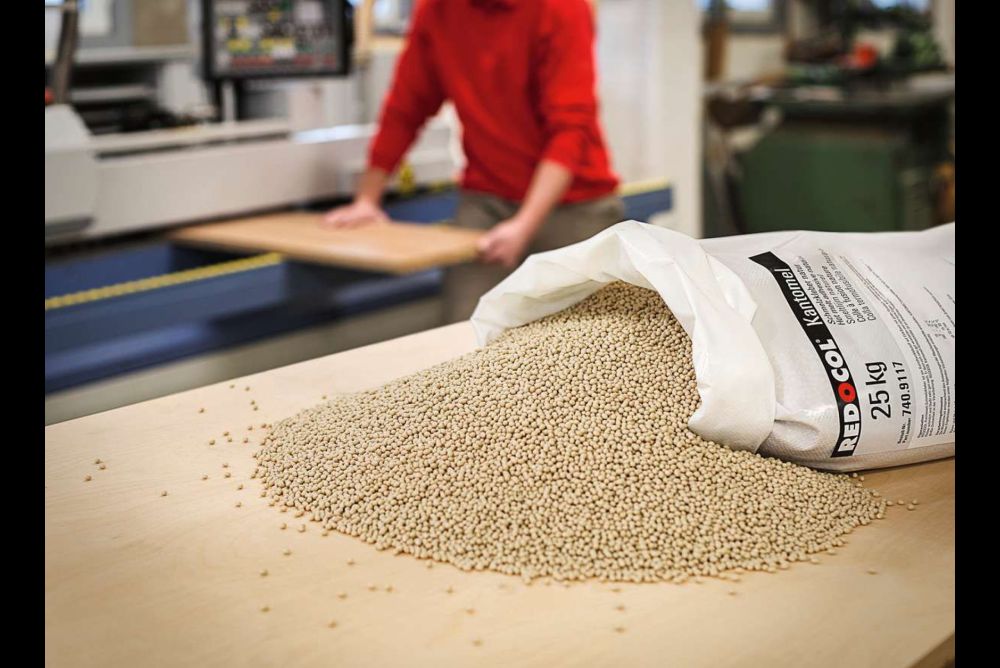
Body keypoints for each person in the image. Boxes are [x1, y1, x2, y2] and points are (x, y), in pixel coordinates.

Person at [324, 0, 623, 322]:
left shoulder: (560, 8)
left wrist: (524, 224)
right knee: (464, 325)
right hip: (486, 199)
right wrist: (367, 199)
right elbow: (405, 107)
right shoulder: (437, 11)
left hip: (574, 204)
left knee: (584, 333)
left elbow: (570, 130)